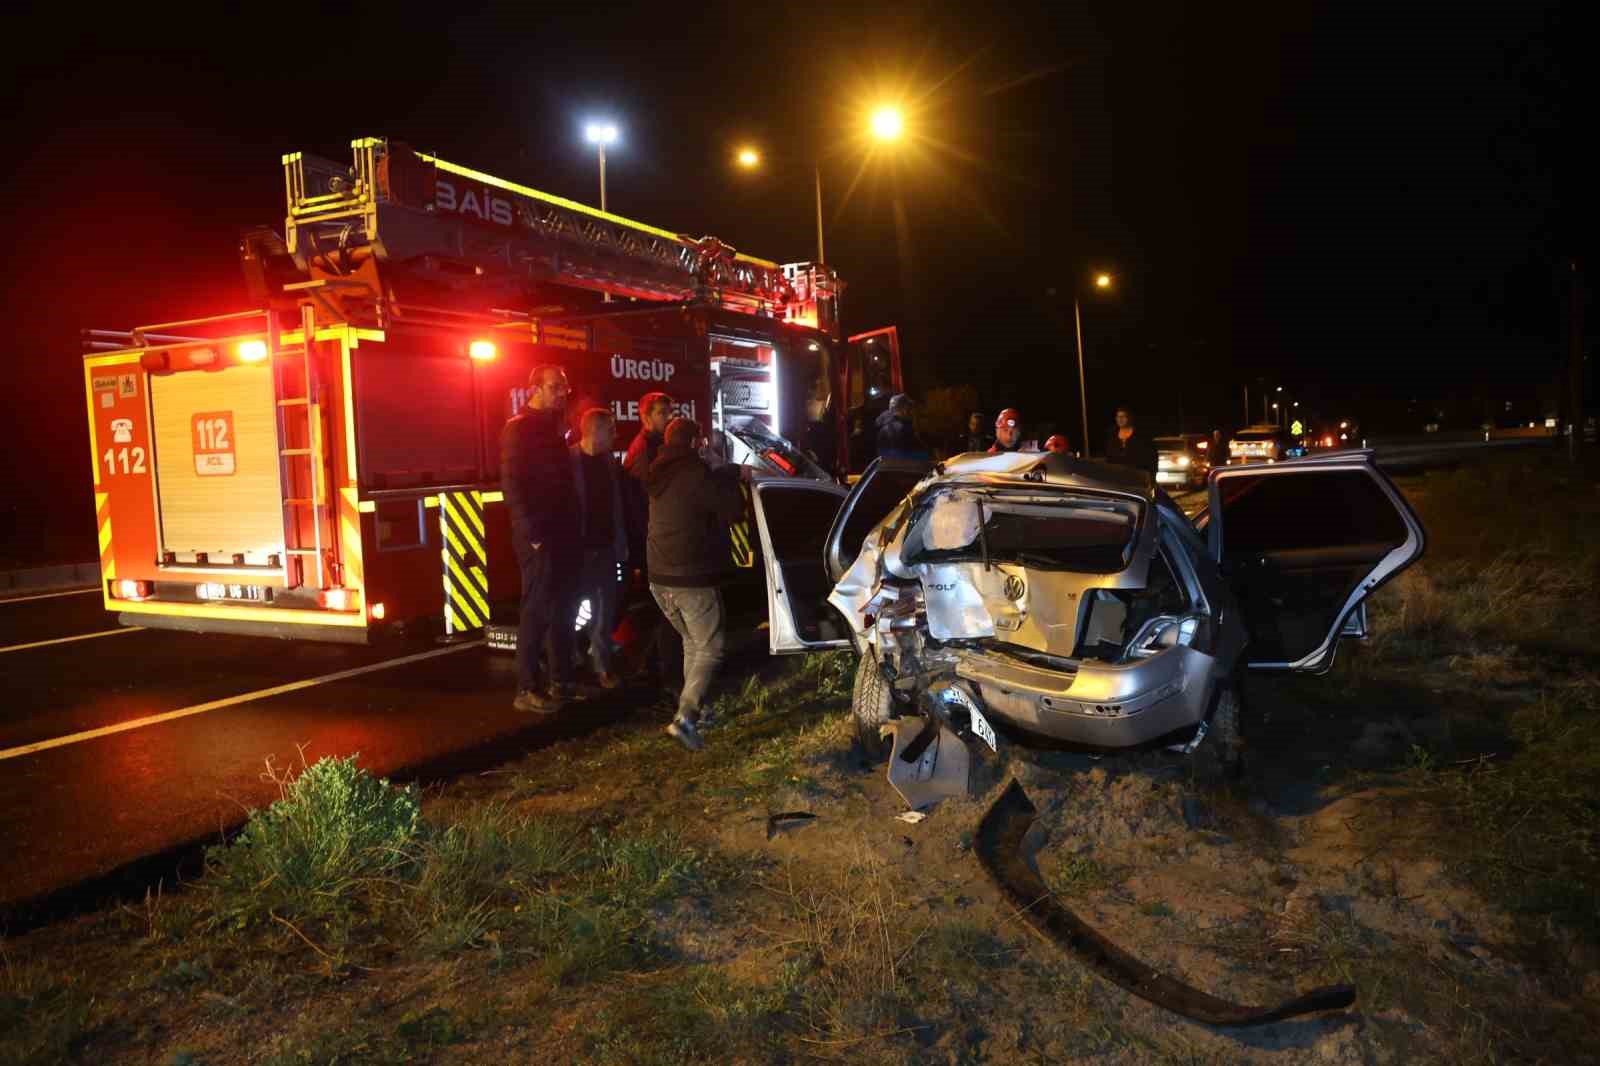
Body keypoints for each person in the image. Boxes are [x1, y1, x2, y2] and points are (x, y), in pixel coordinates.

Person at [644, 417, 749, 751]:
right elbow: (733, 511)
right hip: (689, 577)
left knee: (693, 644)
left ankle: (696, 711)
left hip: (659, 577)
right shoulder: (695, 474)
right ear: (694, 443)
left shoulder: (660, 471)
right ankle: (685, 720)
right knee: (711, 648)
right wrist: (727, 472)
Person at [500, 365, 583, 713]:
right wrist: (532, 534)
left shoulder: (553, 426)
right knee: (536, 610)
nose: (562, 393)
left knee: (564, 608)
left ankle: (561, 682)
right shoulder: (519, 428)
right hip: (541, 536)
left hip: (563, 532)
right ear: (534, 388)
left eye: (564, 387)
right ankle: (527, 688)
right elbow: (513, 484)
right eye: (554, 387)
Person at [571, 407, 629, 690]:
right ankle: (568, 664)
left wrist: (620, 543)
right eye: (611, 429)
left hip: (605, 549)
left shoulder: (608, 461)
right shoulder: (568, 461)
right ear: (594, 431)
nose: (615, 435)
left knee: (605, 613)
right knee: (569, 610)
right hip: (578, 552)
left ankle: (602, 668)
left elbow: (616, 506)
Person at [1102, 405, 1159, 476]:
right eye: (1118, 417)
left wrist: (1151, 474)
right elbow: (1108, 457)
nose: (1120, 419)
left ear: (1130, 418)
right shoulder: (1112, 435)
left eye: (1123, 416)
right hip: (1117, 475)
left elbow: (1152, 456)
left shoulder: (1141, 435)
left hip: (1138, 475)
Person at [874, 394, 928, 459]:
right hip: (905, 464)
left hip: (890, 464)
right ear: (901, 409)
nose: (911, 411)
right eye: (908, 408)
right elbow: (912, 452)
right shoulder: (900, 428)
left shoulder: (885, 426)